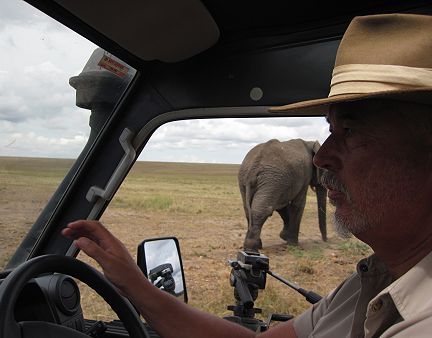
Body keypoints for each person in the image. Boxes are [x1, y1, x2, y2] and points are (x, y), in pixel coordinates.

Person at [62, 13, 432, 337]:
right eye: (330, 131)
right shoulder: (373, 281)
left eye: (350, 132)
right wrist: (135, 285)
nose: (323, 160)